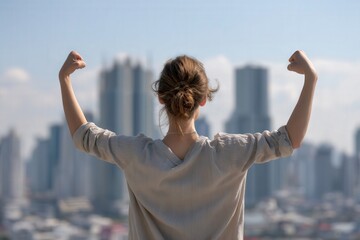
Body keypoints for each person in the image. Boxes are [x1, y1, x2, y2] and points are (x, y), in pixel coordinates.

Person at [59, 50, 317, 240]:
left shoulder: (135, 155)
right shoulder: (230, 153)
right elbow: (288, 140)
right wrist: (310, 80)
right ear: (203, 100)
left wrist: (65, 80)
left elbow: (83, 136)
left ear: (161, 98)